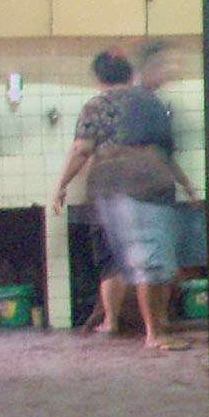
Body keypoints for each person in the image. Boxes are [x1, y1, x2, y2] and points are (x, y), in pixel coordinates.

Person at [92, 40, 196, 351]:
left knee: (160, 264)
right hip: (138, 192)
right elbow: (139, 148)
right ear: (149, 66)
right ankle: (154, 334)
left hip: (149, 191)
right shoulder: (140, 101)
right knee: (150, 264)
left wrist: (185, 185)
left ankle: (160, 327)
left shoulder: (150, 101)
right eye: (166, 63)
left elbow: (162, 152)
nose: (172, 70)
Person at [51, 48, 135, 333]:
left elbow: (81, 149)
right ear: (129, 74)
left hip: (109, 189)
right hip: (148, 188)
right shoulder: (145, 103)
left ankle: (111, 320)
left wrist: (61, 185)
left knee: (111, 258)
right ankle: (153, 324)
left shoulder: (97, 106)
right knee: (145, 256)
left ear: (99, 78)